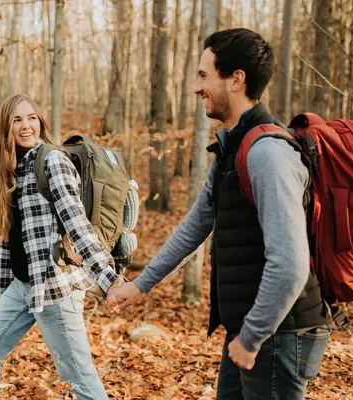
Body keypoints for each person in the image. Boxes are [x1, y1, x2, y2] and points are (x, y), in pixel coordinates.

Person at [108, 28, 331, 399]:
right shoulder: (233, 146)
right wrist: (141, 284)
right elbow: (196, 225)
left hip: (277, 334)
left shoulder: (267, 154)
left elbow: (290, 264)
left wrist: (252, 336)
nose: (196, 88)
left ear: (236, 80)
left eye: (204, 75)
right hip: (250, 329)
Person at [0, 93, 122, 400]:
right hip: (22, 286)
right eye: (17, 119)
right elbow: (10, 241)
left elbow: (78, 224)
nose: (26, 126)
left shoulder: (51, 161)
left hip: (55, 285)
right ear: (6, 128)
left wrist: (108, 280)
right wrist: (1, 299)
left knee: (80, 378)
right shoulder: (13, 169)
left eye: (31, 118)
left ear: (41, 122)